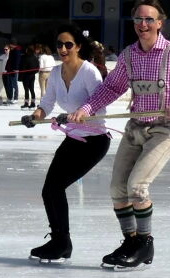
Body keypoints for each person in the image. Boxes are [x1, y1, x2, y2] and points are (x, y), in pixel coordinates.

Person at [68, 0, 170, 269]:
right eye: (138, 19)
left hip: (163, 129)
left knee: (137, 187)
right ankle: (130, 241)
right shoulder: (129, 55)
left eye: (149, 19)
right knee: (117, 188)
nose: (143, 24)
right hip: (135, 128)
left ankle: (145, 244)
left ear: (159, 23)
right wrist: (87, 108)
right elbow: (112, 87)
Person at [20, 24, 111, 263]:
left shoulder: (89, 72)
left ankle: (61, 243)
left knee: (55, 188)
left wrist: (78, 113)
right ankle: (60, 242)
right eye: (59, 44)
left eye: (68, 44)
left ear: (78, 46)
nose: (63, 49)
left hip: (94, 141)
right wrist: (35, 116)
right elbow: (47, 103)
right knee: (49, 190)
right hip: (73, 138)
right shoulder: (56, 73)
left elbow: (100, 107)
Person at [19, 42, 40, 109]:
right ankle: (33, 103)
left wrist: (21, 76)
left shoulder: (25, 58)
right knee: (32, 89)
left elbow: (22, 67)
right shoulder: (35, 57)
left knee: (26, 89)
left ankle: (26, 103)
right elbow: (37, 67)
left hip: (26, 76)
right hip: (32, 75)